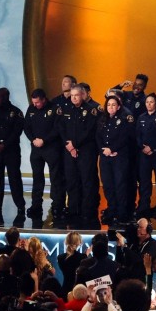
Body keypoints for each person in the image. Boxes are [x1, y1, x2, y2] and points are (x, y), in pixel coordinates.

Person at [57, 85, 100, 229]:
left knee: (86, 182)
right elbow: (61, 128)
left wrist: (75, 144)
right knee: (71, 181)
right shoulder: (65, 109)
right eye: (72, 95)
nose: (74, 97)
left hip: (85, 151)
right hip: (69, 151)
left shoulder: (90, 110)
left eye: (77, 95)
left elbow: (89, 131)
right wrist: (68, 145)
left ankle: (86, 211)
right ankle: (73, 210)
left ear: (82, 95)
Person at [24, 88, 64, 222]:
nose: (35, 105)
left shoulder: (55, 108)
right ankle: (36, 205)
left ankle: (57, 206)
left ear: (44, 99)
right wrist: (33, 139)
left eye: (37, 102)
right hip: (36, 149)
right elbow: (26, 127)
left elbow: (58, 128)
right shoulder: (31, 109)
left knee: (55, 178)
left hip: (51, 148)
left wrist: (44, 140)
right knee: (37, 178)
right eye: (33, 102)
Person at [0, 87, 25, 225]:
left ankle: (20, 206)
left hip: (11, 150)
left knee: (14, 178)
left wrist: (5, 144)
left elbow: (17, 131)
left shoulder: (16, 112)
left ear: (6, 97)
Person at [96, 95, 135, 226]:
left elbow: (125, 137)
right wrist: (104, 149)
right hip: (105, 157)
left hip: (119, 157)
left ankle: (122, 214)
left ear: (118, 106)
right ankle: (112, 210)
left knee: (120, 185)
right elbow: (98, 136)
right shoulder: (102, 119)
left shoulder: (124, 119)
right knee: (107, 185)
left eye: (113, 105)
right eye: (108, 105)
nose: (110, 107)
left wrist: (112, 149)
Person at [135, 93, 156, 219]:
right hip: (144, 155)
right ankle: (144, 207)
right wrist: (142, 147)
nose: (149, 104)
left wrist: (152, 147)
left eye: (151, 102)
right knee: (144, 181)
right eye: (147, 102)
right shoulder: (141, 118)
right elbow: (137, 135)